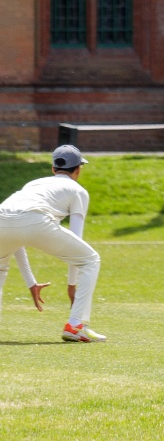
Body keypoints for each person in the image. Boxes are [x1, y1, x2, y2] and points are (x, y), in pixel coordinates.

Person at [0, 144, 103, 342]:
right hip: (34, 219)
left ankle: (75, 326)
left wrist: (31, 282)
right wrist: (72, 285)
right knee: (90, 260)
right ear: (78, 169)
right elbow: (76, 235)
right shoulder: (78, 191)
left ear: (53, 169)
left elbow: (16, 234)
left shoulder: (34, 185)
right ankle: (75, 325)